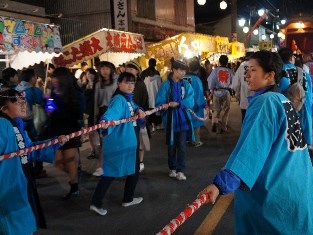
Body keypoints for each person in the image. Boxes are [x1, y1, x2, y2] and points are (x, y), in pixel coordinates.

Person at [201, 50, 313, 234]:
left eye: (252, 70)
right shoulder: (282, 100)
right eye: (246, 69)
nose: (246, 74)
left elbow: (250, 151)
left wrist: (220, 185)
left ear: (270, 75)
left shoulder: (265, 102)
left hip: (275, 194)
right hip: (298, 187)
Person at [0, 88, 68, 234]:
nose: (23, 104)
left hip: (20, 184)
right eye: (17, 102)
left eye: (23, 100)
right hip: (8, 186)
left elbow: (30, 152)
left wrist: (55, 142)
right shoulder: (2, 125)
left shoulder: (18, 127)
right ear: (4, 109)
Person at [90, 72, 145, 216]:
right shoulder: (119, 100)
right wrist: (105, 121)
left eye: (132, 83)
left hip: (127, 143)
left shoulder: (128, 100)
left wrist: (139, 109)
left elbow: (134, 107)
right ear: (119, 83)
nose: (130, 86)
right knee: (110, 173)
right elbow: (112, 114)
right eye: (127, 82)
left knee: (133, 169)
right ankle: (96, 202)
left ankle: (128, 198)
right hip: (120, 144)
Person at [45, 67, 85, 200]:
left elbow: (77, 113)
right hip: (55, 130)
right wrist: (48, 102)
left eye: (55, 78)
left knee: (69, 160)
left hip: (70, 130)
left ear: (63, 79)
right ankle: (73, 179)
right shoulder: (53, 92)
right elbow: (49, 109)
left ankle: (74, 186)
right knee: (58, 161)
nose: (53, 80)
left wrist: (56, 108)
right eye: (53, 78)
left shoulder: (76, 94)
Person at [155, 58, 195, 181]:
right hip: (170, 120)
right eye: (180, 70)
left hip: (183, 121)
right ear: (173, 70)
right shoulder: (165, 85)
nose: (183, 73)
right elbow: (159, 102)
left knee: (182, 146)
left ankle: (180, 170)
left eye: (184, 71)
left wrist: (178, 103)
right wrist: (165, 105)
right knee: (171, 145)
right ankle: (172, 168)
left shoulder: (186, 85)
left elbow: (191, 100)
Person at [278, 47, 312, 146]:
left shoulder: (279, 73)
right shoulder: (304, 73)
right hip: (304, 111)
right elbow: (310, 94)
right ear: (291, 58)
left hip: (286, 112)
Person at [93, 61, 117, 176]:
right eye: (102, 68)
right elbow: (96, 103)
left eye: (107, 68)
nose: (104, 71)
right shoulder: (98, 84)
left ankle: (114, 166)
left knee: (115, 141)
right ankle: (100, 166)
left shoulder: (117, 81)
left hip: (116, 112)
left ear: (111, 69)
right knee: (104, 142)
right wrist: (95, 117)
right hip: (103, 113)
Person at [126, 60, 149, 173]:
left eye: (131, 69)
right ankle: (130, 163)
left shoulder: (140, 84)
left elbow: (145, 100)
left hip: (139, 116)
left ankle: (140, 161)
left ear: (137, 71)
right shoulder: (122, 84)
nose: (129, 70)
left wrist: (143, 113)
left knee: (140, 140)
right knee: (129, 142)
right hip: (126, 118)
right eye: (127, 68)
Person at [207, 55, 234, 133]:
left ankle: (214, 123)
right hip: (226, 91)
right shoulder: (230, 71)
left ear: (219, 61)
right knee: (226, 110)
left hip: (216, 91)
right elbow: (234, 82)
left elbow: (210, 81)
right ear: (227, 62)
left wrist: (211, 89)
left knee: (216, 109)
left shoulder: (215, 70)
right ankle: (223, 126)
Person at [183, 60, 206, 147]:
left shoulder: (184, 77)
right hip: (194, 105)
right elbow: (199, 93)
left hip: (184, 104)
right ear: (198, 69)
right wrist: (202, 104)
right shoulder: (196, 79)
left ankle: (186, 139)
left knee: (186, 121)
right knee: (196, 123)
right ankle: (196, 141)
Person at [231, 52, 254, 122]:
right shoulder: (257, 66)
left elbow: (235, 85)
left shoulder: (241, 67)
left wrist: (237, 93)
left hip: (244, 100)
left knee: (245, 121)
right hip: (256, 100)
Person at [84, 68, 100, 160]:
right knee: (90, 132)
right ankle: (93, 150)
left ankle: (98, 149)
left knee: (98, 131)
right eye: (87, 74)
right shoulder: (86, 86)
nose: (89, 76)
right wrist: (87, 89)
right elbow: (84, 99)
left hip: (97, 111)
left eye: (91, 74)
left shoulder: (98, 85)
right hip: (89, 112)